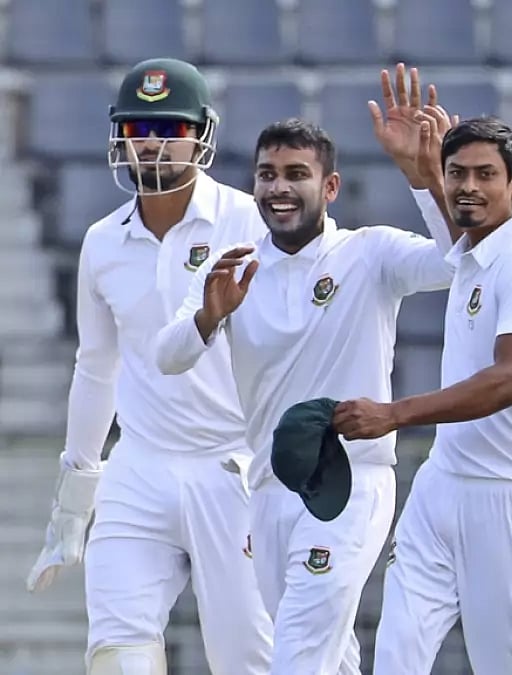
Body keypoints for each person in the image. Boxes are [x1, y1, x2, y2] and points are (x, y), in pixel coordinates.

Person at [152, 65, 458, 674]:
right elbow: (168, 356)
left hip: (349, 484)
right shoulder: (233, 267)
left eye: (296, 175)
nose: (278, 189)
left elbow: (457, 260)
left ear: (331, 186)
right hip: (267, 487)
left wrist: (423, 178)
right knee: (328, 655)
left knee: (295, 653)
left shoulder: (369, 254)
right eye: (267, 176)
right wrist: (208, 318)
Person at [24, 57, 274, 675]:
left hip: (233, 465)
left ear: (202, 136)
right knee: (116, 648)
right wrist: (75, 495)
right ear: (119, 139)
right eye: (138, 130)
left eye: (170, 128)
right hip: (139, 466)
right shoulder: (103, 241)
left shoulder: (251, 220)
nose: (154, 144)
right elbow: (96, 367)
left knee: (250, 658)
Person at [331, 115, 512, 675]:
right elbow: (453, 230)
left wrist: (394, 414)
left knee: (507, 665)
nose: (468, 186)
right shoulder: (473, 250)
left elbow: (510, 380)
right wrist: (416, 171)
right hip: (442, 485)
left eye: (485, 174)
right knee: (397, 656)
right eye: (457, 173)